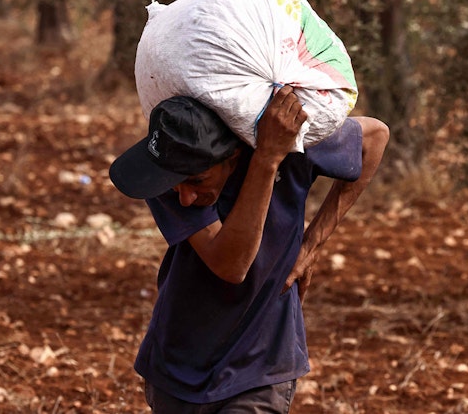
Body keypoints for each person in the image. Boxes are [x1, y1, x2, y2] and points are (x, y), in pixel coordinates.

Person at [110, 85, 388, 413]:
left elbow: (375, 138)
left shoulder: (292, 150)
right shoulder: (167, 174)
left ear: (233, 156)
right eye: (177, 184)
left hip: (260, 367)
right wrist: (267, 160)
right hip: (177, 365)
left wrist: (312, 244)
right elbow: (231, 264)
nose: (184, 196)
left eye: (198, 180)